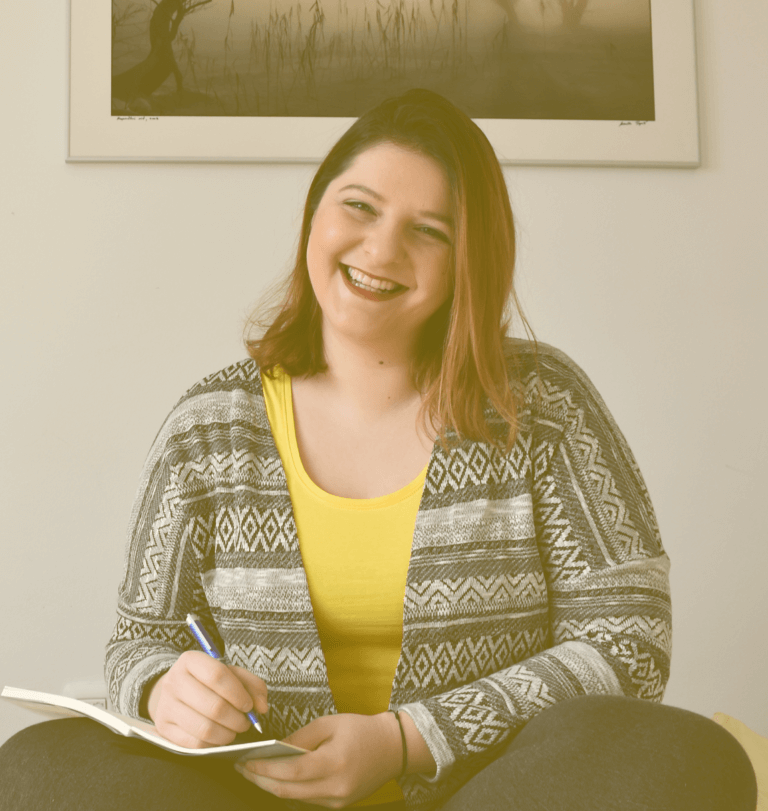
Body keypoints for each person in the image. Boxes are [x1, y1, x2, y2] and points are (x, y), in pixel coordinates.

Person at [0, 89, 757, 811]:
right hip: (252, 795)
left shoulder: (544, 406)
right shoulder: (210, 426)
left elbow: (628, 640)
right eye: (358, 207)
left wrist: (409, 740)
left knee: (686, 756)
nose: (382, 247)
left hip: (487, 791)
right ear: (314, 215)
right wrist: (164, 687)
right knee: (38, 768)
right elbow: (143, 639)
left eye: (430, 230)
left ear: (469, 260)